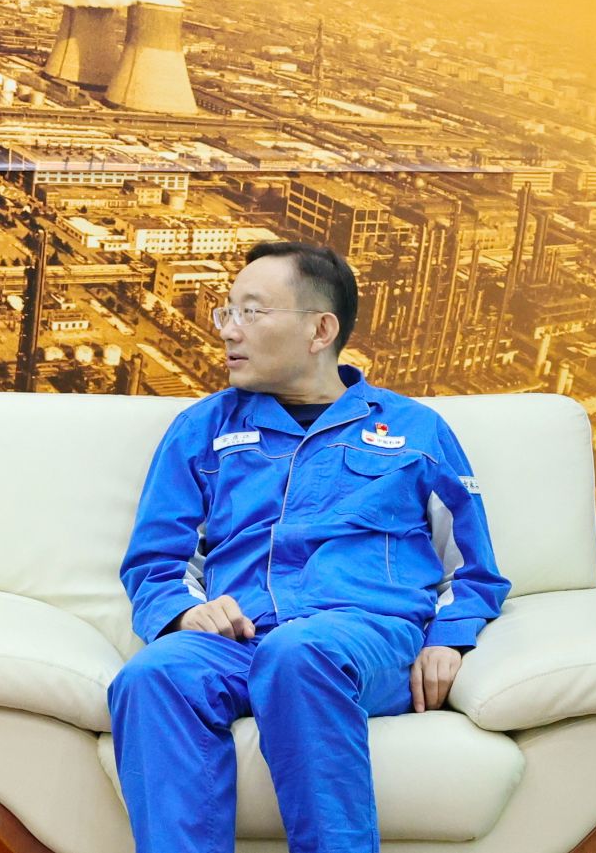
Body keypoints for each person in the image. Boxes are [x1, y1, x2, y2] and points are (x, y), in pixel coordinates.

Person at [109, 240, 507, 853]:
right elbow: (156, 561)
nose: (228, 331)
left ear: (321, 330)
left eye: (251, 312)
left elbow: (473, 565)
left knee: (299, 653)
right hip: (241, 642)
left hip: (364, 640)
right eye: (226, 312)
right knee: (152, 675)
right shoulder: (202, 430)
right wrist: (187, 613)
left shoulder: (416, 431)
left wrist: (449, 636)